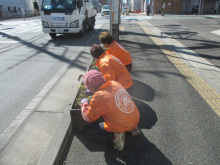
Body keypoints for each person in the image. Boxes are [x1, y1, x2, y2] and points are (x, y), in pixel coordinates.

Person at [81, 70, 141, 150]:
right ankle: (133, 128)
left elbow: (88, 118)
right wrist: (93, 91)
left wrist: (84, 104)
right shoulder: (115, 83)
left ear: (90, 87)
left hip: (121, 124)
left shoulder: (98, 97)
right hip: (135, 118)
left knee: (89, 134)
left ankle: (114, 137)